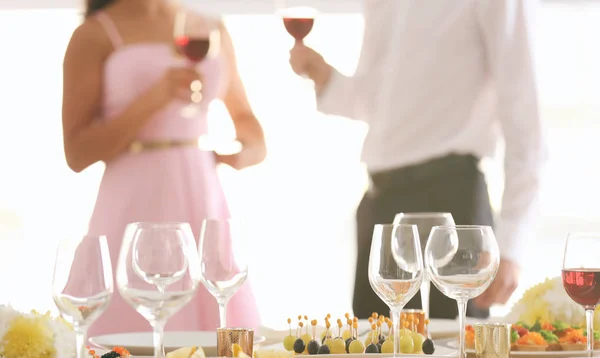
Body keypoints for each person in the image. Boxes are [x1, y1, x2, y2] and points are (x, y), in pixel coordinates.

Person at [289, 1, 546, 319]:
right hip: (382, 206)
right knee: (375, 357)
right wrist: (325, 77)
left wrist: (512, 246)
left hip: (454, 202)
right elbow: (379, 102)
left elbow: (524, 114)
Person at [62, 0, 266, 335]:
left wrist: (244, 152)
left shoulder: (209, 26)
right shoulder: (94, 34)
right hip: (132, 206)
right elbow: (77, 152)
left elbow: (247, 122)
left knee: (224, 354)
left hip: (203, 197)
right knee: (126, 353)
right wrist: (156, 97)